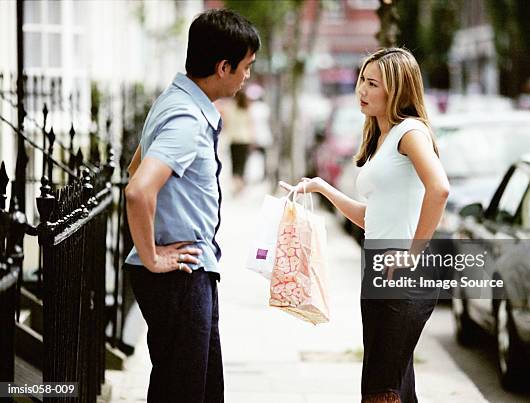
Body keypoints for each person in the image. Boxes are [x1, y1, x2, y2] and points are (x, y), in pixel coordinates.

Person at [280, 48, 450, 403]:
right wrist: (322, 188)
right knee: (395, 386)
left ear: (397, 90)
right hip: (380, 270)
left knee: (381, 389)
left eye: (373, 84)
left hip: (402, 276)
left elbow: (439, 188)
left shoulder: (410, 132)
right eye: (362, 80)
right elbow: (370, 218)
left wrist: (412, 254)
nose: (362, 90)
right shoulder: (382, 138)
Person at [123, 9, 259, 403]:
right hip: (180, 273)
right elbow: (138, 189)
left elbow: (137, 165)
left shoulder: (178, 101)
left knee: (200, 389)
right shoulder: (186, 117)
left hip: (188, 271)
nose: (247, 76)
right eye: (245, 67)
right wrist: (152, 257)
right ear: (223, 67)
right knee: (183, 391)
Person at [219, 90, 254, 194]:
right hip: (245, 139)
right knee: (242, 163)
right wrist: (252, 139)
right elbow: (251, 124)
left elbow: (225, 123)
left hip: (233, 139)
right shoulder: (247, 108)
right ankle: (240, 184)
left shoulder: (230, 107)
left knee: (234, 162)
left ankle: (236, 183)